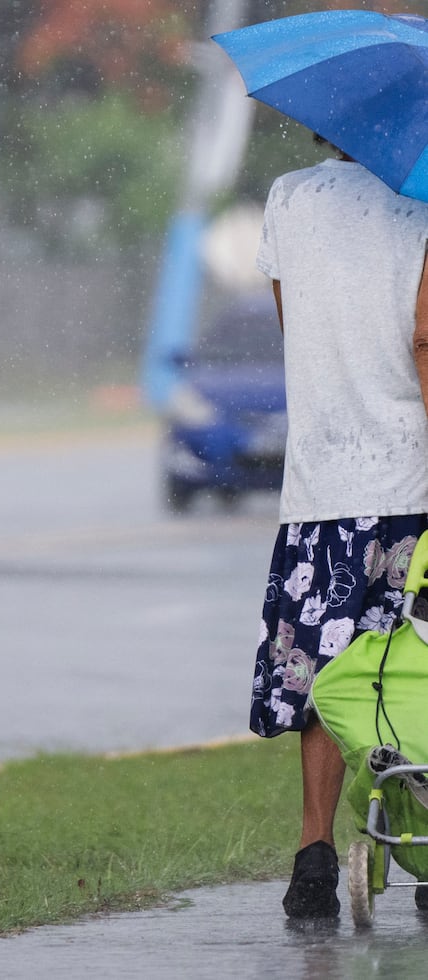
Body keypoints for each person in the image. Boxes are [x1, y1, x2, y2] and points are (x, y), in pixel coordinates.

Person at [253, 137, 428, 918]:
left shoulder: (288, 200)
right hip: (409, 477)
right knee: (413, 667)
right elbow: (426, 341)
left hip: (321, 481)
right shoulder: (420, 205)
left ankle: (313, 855)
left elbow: (299, 329)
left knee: (326, 675)